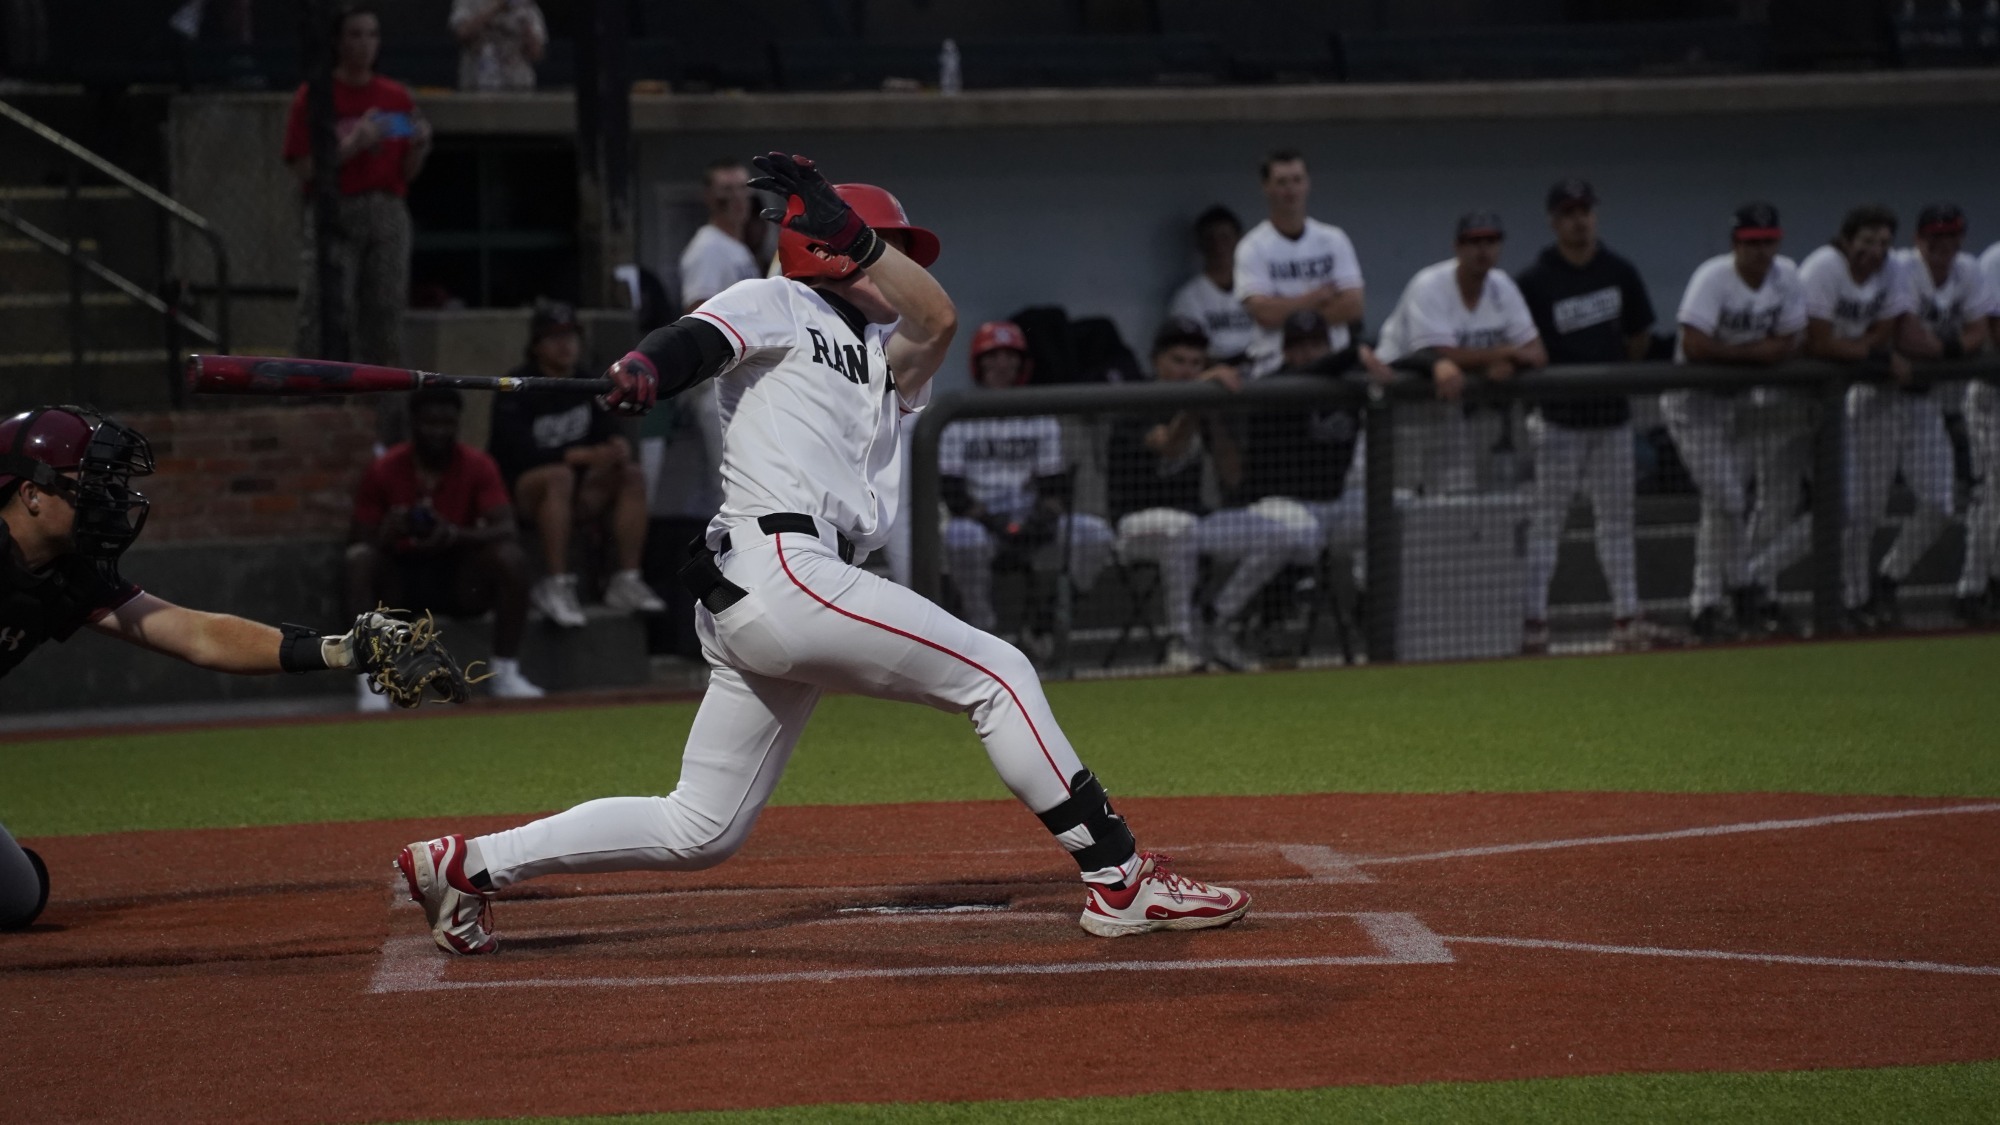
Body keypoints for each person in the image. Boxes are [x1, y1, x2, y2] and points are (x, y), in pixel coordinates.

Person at [392, 154, 1249, 956]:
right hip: (783, 565)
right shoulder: (778, 301)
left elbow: (938, 317)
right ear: (829, 254)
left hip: (786, 581)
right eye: (887, 252)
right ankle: (1120, 877)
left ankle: (465, 863)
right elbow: (688, 342)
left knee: (702, 827)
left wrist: (855, 234)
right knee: (999, 675)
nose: (900, 267)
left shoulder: (882, 360)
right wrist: (644, 370)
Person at [0, 406, 438, 930]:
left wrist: (335, 651)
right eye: (88, 482)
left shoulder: (66, 575)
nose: (107, 497)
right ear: (30, 494)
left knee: (19, 898)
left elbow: (196, 634)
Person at [1107, 318, 1322, 673]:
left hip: (1193, 518)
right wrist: (1196, 400)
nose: (1188, 371)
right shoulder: (1138, 398)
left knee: (1280, 534)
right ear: (1157, 360)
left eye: (1196, 363)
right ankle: (1182, 640)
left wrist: (1215, 416)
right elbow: (1170, 447)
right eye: (1178, 361)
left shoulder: (1202, 403)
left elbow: (1232, 477)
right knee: (1180, 530)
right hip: (1135, 524)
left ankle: (1216, 620)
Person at [1512, 178, 1666, 653]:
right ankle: (1533, 620)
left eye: (1586, 211)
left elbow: (1640, 336)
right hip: (1558, 421)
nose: (1580, 220)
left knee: (1617, 521)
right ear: (1554, 221)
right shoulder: (1536, 278)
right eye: (1570, 212)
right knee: (1547, 524)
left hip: (1611, 419)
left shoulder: (1618, 270)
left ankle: (1625, 616)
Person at [1661, 202, 1807, 642]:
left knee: (1721, 506)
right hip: (1693, 406)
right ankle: (1743, 587)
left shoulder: (1787, 276)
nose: (1761, 252)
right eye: (1751, 243)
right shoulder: (1713, 277)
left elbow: (1788, 341)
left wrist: (1753, 356)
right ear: (1735, 244)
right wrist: (1753, 355)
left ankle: (1705, 605)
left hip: (1739, 407)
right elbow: (1696, 344)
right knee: (1728, 498)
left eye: (1767, 242)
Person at [346, 388, 542, 708]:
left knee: (511, 558)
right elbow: (359, 539)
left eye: (447, 424)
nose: (438, 432)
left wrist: (454, 534)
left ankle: (506, 673)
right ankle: (372, 679)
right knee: (359, 562)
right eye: (430, 423)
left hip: (458, 576)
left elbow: (506, 527)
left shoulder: (478, 465)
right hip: (402, 579)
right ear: (413, 423)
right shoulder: (385, 468)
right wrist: (389, 532)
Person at [939, 320, 1114, 651]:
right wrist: (992, 521)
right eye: (994, 356)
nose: (1002, 365)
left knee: (1096, 535)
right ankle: (983, 629)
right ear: (979, 362)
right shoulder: (959, 417)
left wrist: (1038, 520)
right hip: (981, 520)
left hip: (1032, 519)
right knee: (960, 538)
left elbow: (1054, 487)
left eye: (1010, 357)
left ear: (1021, 364)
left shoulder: (1038, 416)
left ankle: (1047, 620)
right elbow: (952, 492)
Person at [489, 301, 665, 628]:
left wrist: (616, 448)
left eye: (570, 336)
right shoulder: (519, 383)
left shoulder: (588, 381)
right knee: (559, 476)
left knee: (630, 474)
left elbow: (609, 432)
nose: (565, 344)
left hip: (580, 492)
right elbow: (516, 453)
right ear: (537, 344)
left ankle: (625, 579)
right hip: (526, 492)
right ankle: (555, 584)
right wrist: (580, 456)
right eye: (555, 337)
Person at [282, 2, 431, 367]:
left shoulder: (396, 96)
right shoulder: (314, 95)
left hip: (387, 210)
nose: (365, 44)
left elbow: (405, 173)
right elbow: (303, 168)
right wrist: (351, 145)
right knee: (324, 311)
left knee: (384, 315)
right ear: (338, 41)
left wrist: (421, 147)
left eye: (372, 35)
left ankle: (382, 414)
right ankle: (316, 401)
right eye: (355, 35)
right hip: (337, 210)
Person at [1799, 205, 1922, 631]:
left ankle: (1849, 599)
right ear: (1847, 240)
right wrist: (1872, 356)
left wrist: (1865, 352)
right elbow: (1818, 342)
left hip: (1841, 401)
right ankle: (1753, 580)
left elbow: (1882, 331)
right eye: (1868, 241)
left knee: (1851, 510)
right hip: (1793, 401)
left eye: (1884, 243)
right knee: (1812, 508)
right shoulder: (1823, 267)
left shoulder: (1890, 272)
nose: (1876, 251)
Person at [1375, 211, 1546, 495]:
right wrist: (1499, 354)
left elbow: (1537, 352)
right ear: (1457, 247)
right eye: (1473, 241)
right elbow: (1438, 352)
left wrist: (1511, 364)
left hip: (1447, 400)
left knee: (1454, 497)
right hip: (1397, 399)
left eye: (1490, 240)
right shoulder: (1429, 284)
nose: (1482, 249)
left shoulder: (1502, 287)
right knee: (1394, 496)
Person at [1882, 205, 1992, 627]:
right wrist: (1951, 345)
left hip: (1923, 402)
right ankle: (1852, 600)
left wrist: (1942, 349)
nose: (1945, 246)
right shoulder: (1902, 267)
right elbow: (1906, 334)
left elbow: (1978, 331)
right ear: (1919, 239)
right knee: (1859, 512)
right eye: (1936, 238)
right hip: (1875, 400)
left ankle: (1888, 577)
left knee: (1942, 504)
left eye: (1952, 237)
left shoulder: (1967, 269)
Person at [1236, 310, 1372, 602]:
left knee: (1392, 510)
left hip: (1330, 504)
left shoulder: (1346, 386)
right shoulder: (1273, 384)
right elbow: (1314, 372)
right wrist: (1355, 352)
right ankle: (1223, 614)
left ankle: (1374, 604)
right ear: (1285, 351)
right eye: (1299, 346)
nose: (1308, 353)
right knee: (1301, 531)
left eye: (1315, 345)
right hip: (1275, 505)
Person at [1234, 150, 1365, 378]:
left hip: (1334, 364)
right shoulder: (1252, 247)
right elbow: (1265, 315)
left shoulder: (1333, 239)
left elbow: (1353, 307)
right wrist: (1313, 299)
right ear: (1266, 187)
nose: (1291, 189)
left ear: (1307, 184)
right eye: (1282, 182)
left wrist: (1286, 308)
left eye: (1297, 180)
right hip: (1275, 368)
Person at [1169, 205, 1257, 365]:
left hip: (1259, 373)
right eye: (1211, 239)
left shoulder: (1259, 289)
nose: (1218, 246)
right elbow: (1188, 352)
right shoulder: (1188, 296)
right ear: (1200, 244)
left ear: (1239, 240)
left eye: (1225, 237)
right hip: (1212, 378)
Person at [448, 0, 546, 92]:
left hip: (517, 85)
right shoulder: (468, 2)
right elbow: (462, 33)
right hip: (477, 84)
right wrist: (496, 8)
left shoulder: (525, 5)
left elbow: (536, 54)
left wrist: (526, 28)